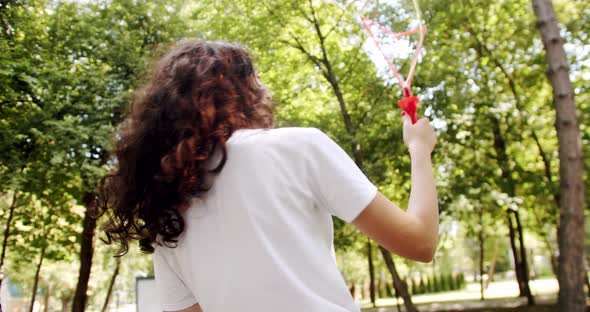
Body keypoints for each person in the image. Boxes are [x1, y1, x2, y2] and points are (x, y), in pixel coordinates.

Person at [98, 40, 438, 312]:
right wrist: (419, 151)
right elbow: (420, 242)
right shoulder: (301, 147)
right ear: (242, 94)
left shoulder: (167, 207)